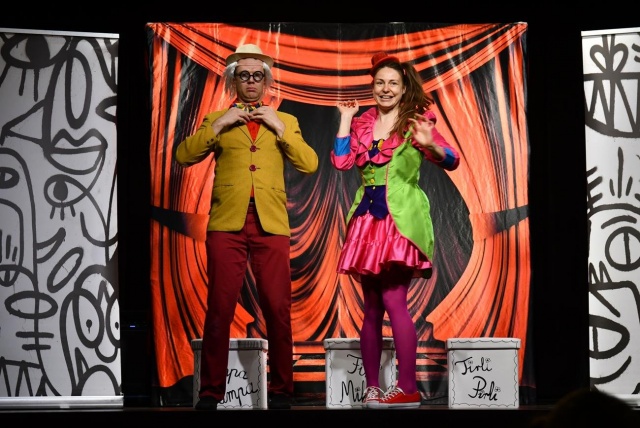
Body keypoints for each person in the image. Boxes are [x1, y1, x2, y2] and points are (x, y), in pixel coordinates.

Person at [175, 44, 319, 410]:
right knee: (219, 309)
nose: (251, 82)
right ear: (234, 81)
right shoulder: (216, 118)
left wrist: (279, 127)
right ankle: (210, 393)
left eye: (258, 76)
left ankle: (283, 391)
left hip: (271, 224)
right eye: (244, 76)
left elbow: (309, 164)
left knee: (277, 308)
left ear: (266, 82)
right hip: (227, 225)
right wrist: (220, 125)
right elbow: (183, 155)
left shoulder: (285, 121)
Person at [331, 52, 460, 409]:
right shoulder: (363, 123)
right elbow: (341, 162)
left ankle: (408, 388)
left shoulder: (417, 122)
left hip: (400, 220)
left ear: (404, 89)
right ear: (372, 86)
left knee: (393, 300)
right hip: (366, 222)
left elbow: (452, 159)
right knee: (371, 308)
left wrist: (431, 144)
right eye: (380, 82)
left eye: (393, 83)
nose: (385, 88)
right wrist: (345, 120)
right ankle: (373, 387)